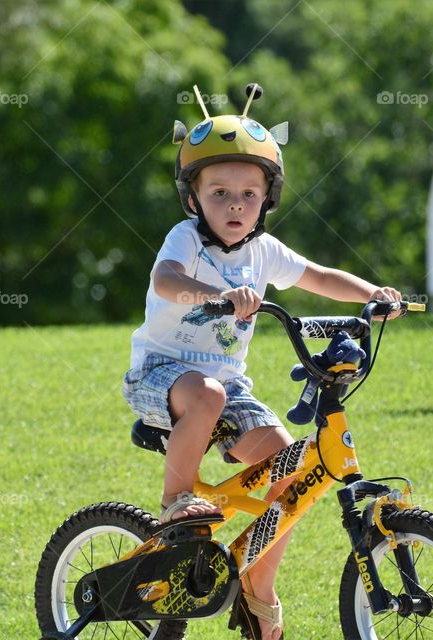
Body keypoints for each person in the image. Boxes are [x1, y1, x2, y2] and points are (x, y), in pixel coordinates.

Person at [121, 84, 402, 640]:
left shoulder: (263, 252)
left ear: (267, 199)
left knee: (288, 465)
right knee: (206, 394)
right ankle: (176, 500)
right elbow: (164, 280)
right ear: (193, 198)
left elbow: (319, 276)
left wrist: (375, 294)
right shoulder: (185, 242)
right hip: (160, 377)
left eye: (248, 194)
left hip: (229, 387)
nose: (235, 205)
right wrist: (213, 295)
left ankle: (257, 585)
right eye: (219, 192)